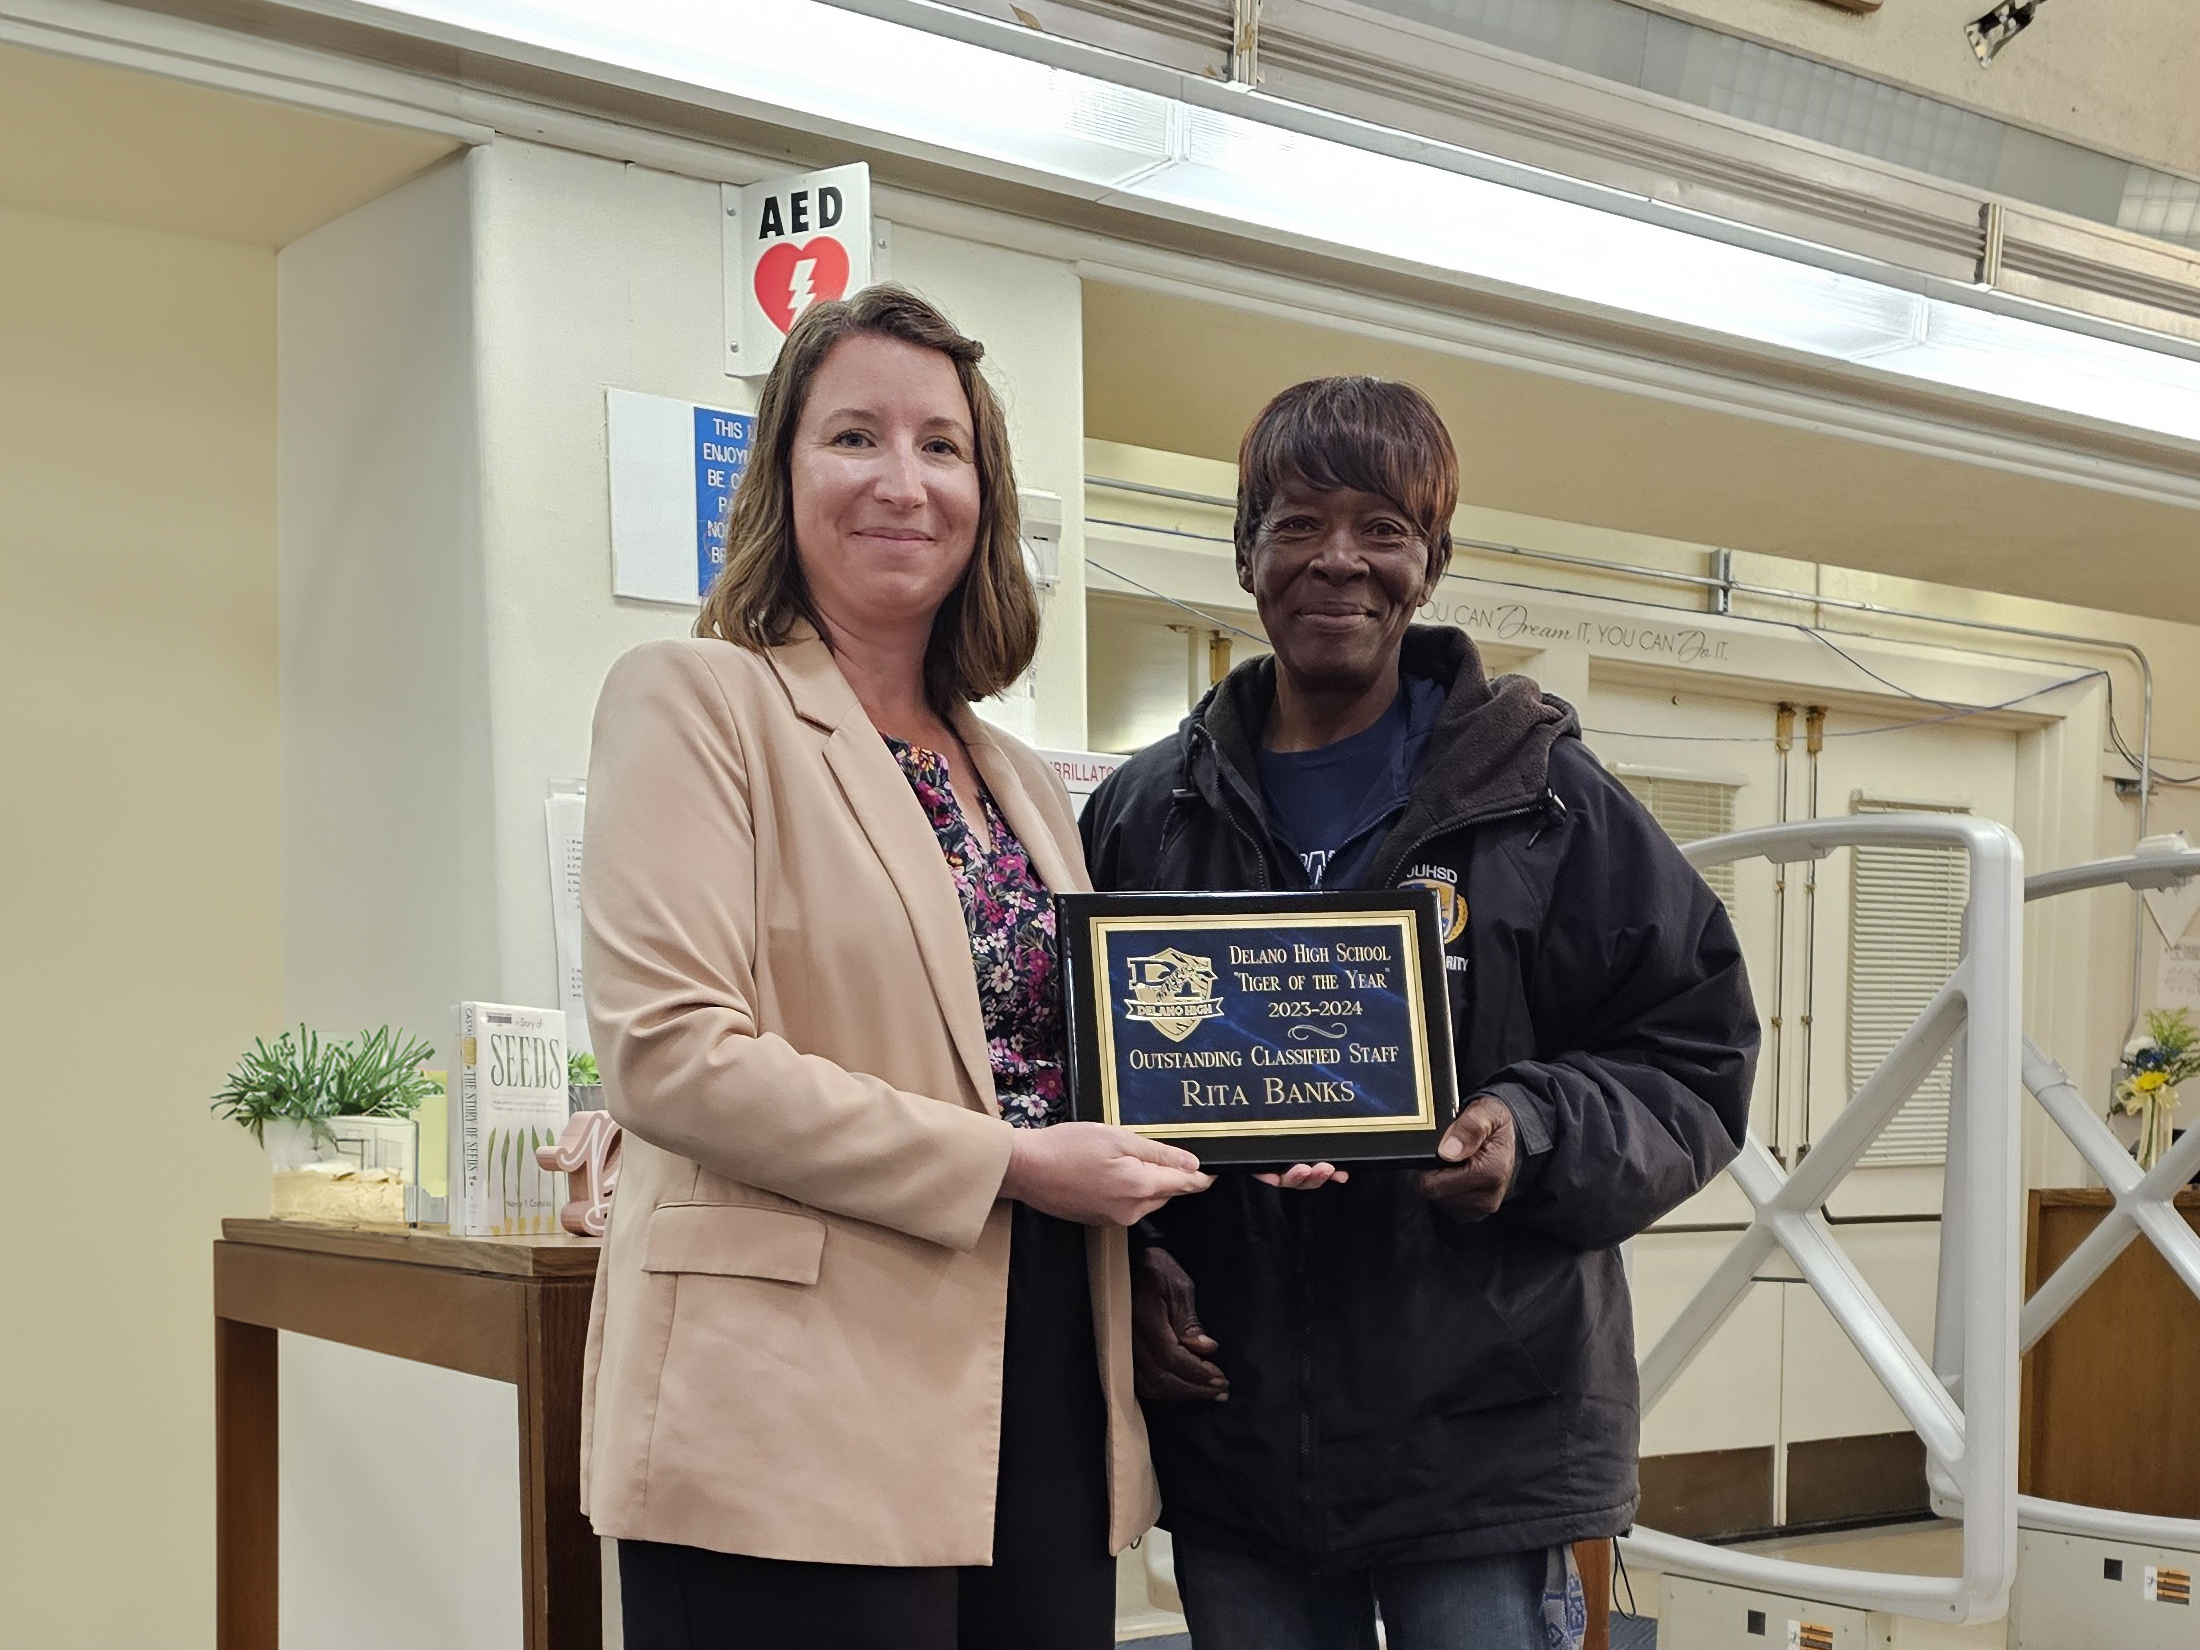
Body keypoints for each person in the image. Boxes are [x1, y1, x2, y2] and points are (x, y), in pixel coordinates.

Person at [1080, 376, 1760, 1649]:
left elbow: (1694, 1053)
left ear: (1429, 564)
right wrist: (1130, 1267)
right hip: (1235, 1430)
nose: (1339, 560)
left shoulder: (1548, 805)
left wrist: (1532, 1129)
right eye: (1297, 524)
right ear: (1246, 553)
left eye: (1382, 529)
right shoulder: (1144, 814)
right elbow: (1077, 1089)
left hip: (1483, 1431)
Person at [578, 285, 1210, 1650]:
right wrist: (1013, 1162)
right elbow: (671, 1049)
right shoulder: (697, 699)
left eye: (942, 446)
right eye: (854, 436)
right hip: (788, 1404)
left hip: (1039, 1363)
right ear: (783, 474)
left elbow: (1072, 1053)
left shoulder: (1022, 777)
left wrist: (1257, 1123)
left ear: (984, 493)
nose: (902, 483)